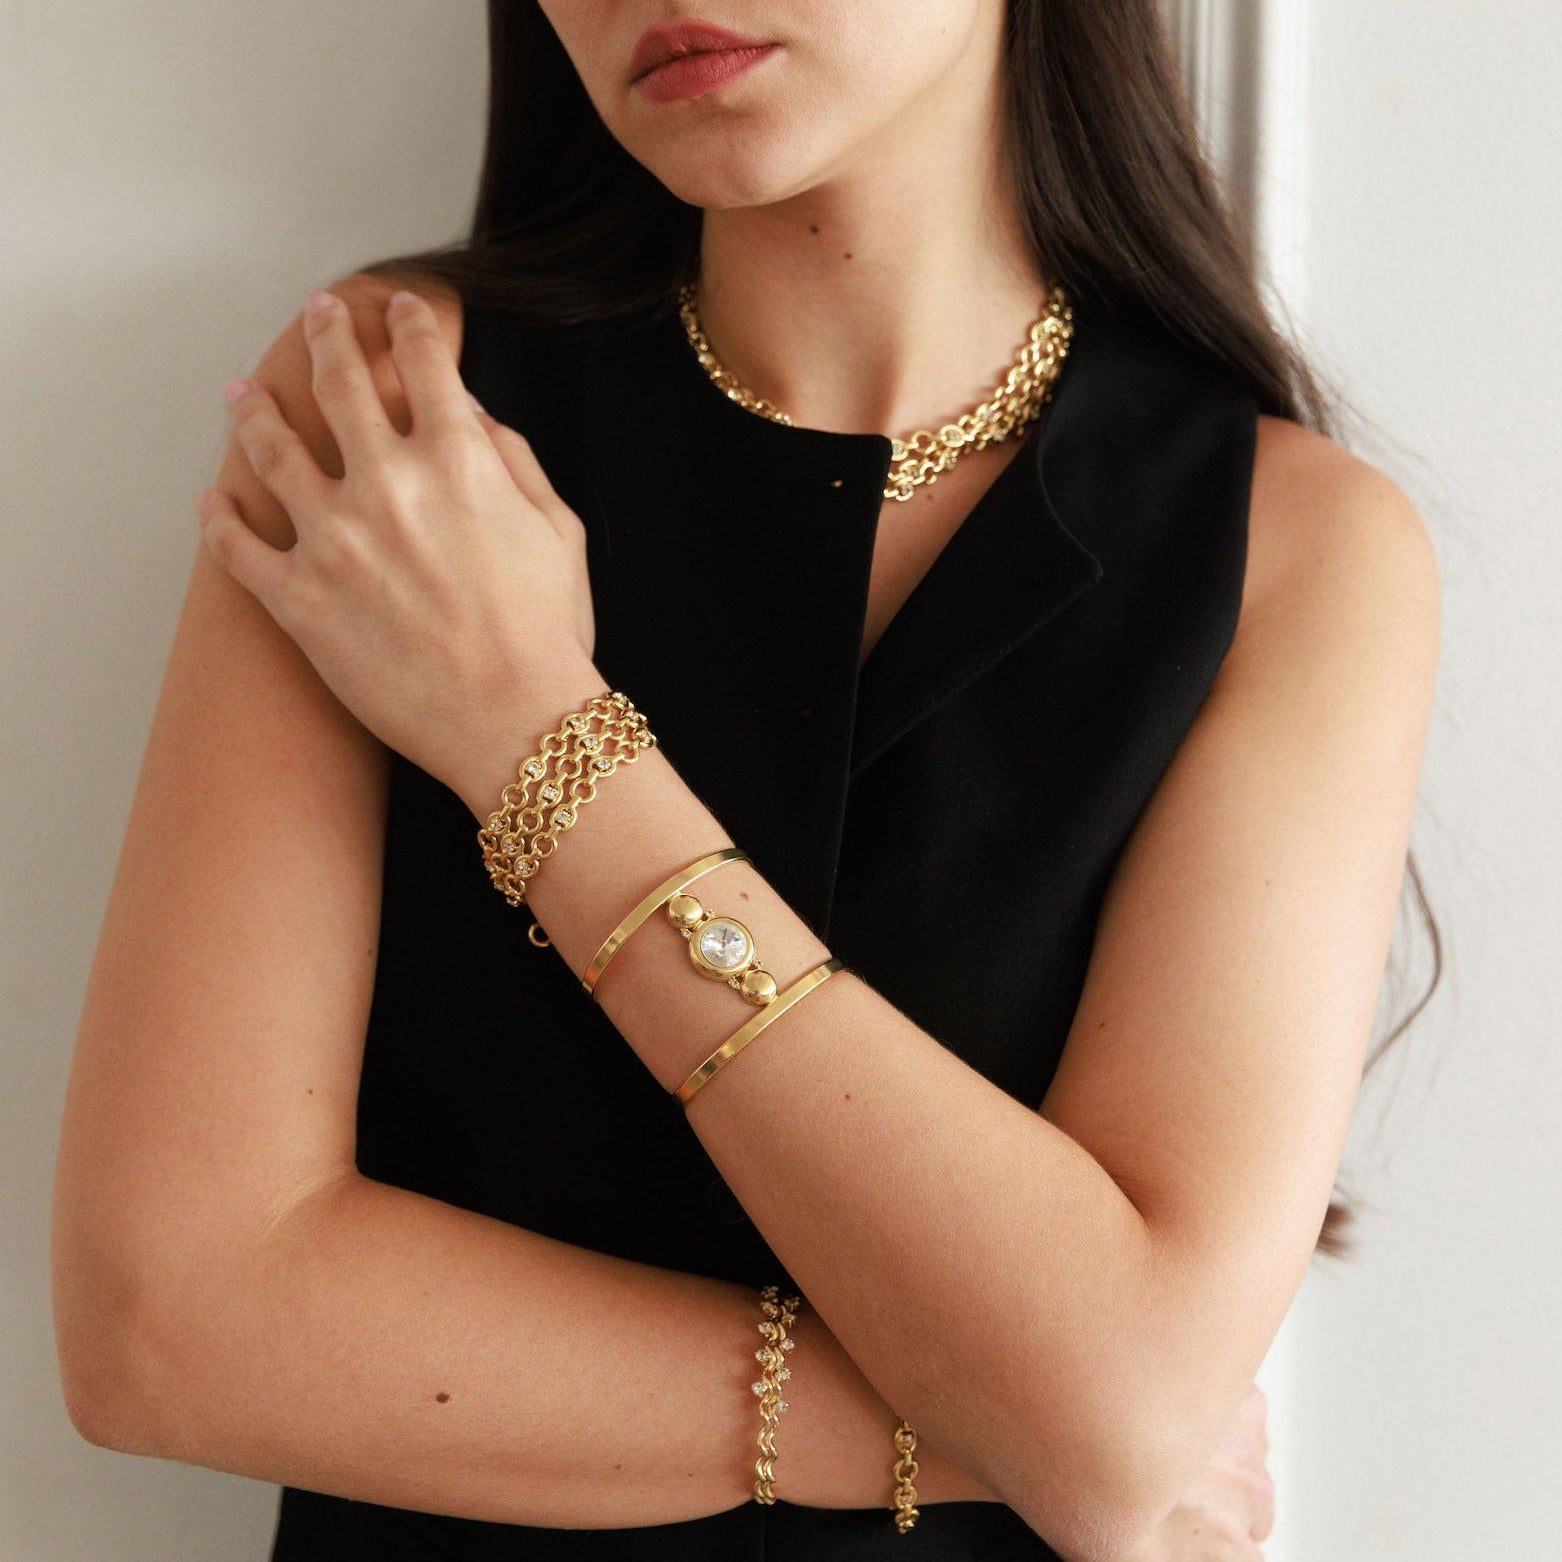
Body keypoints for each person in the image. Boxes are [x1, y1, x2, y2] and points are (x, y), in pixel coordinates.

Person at [51, 2, 1440, 1558]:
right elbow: (165, 1321)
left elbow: (1123, 1405)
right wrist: (953, 1430)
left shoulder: (1290, 554)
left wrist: (532, 739)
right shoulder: (400, 424)